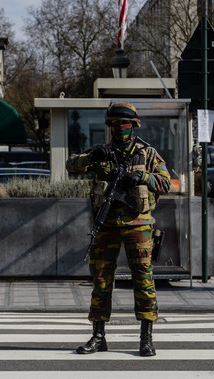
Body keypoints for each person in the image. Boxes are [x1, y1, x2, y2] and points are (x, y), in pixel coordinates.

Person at [66, 102, 171, 357]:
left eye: (123, 124)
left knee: (143, 281)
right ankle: (98, 336)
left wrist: (144, 177)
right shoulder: (102, 152)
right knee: (101, 280)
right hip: (107, 226)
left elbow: (166, 182)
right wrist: (92, 158)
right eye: (114, 124)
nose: (119, 129)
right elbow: (71, 166)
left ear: (133, 126)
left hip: (139, 226)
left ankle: (146, 339)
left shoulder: (147, 153)